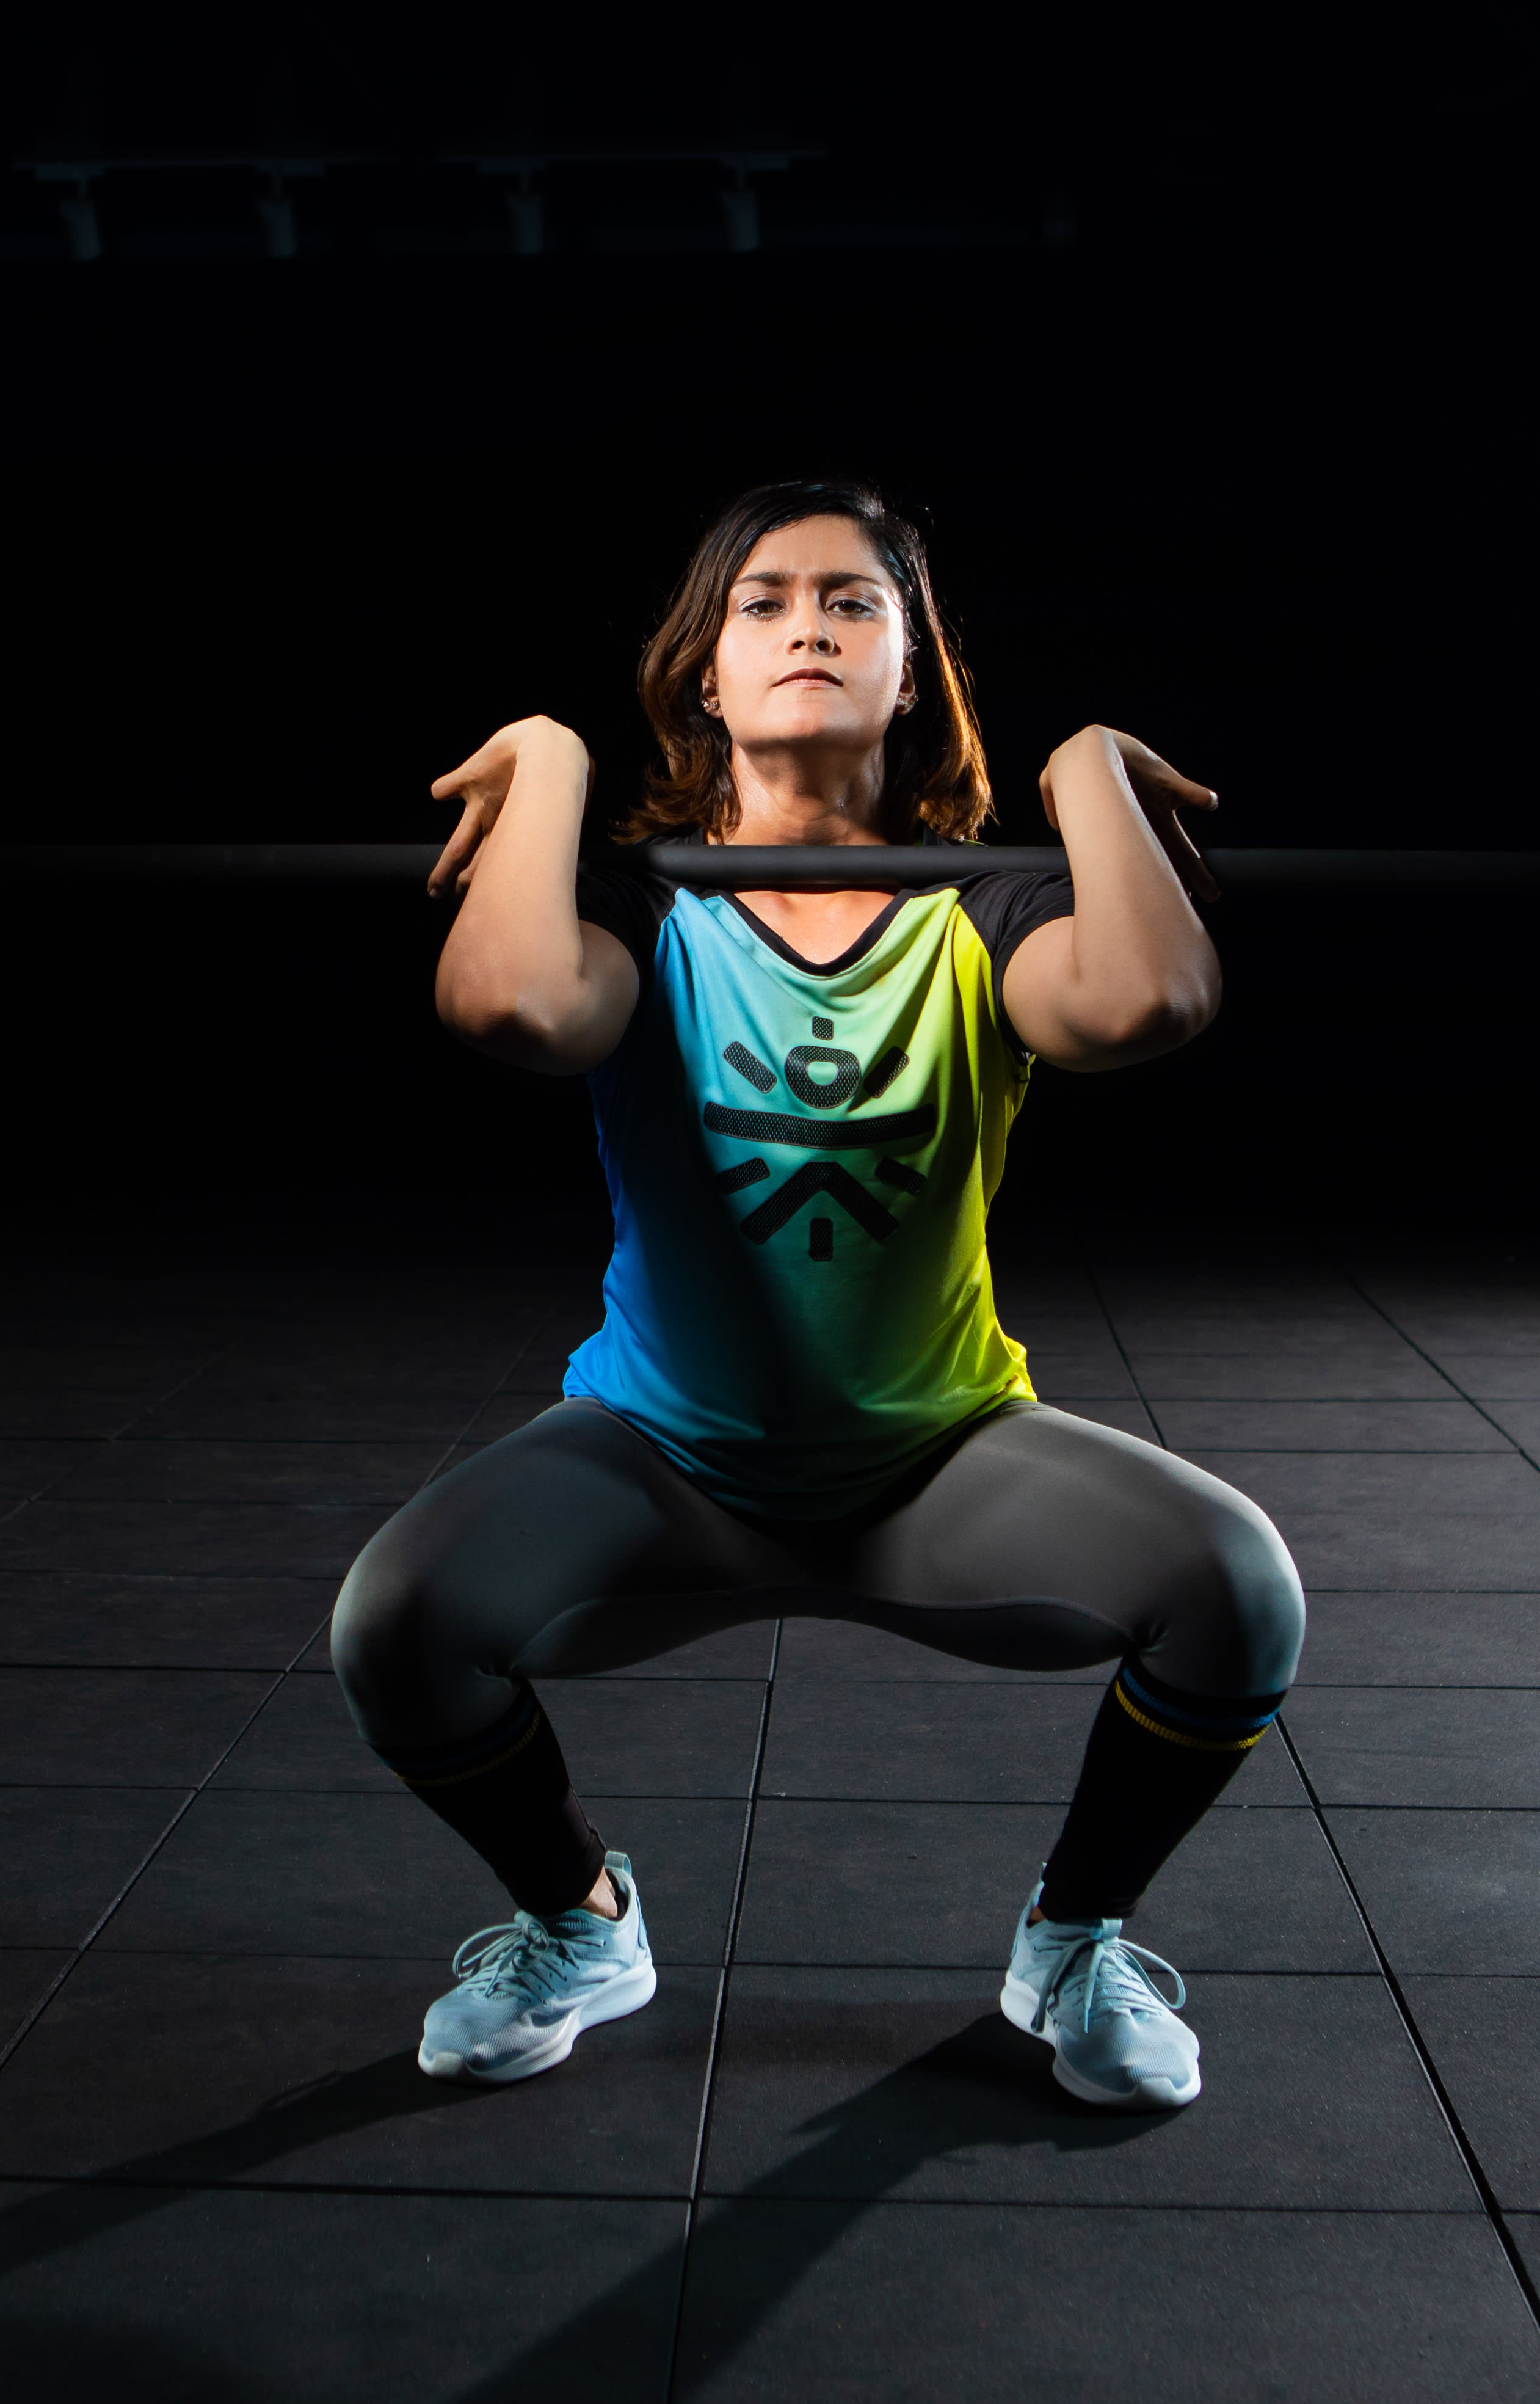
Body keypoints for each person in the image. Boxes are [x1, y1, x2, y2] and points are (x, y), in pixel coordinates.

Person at [331, 479, 1304, 2111]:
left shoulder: (993, 904)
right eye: (764, 602)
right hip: (663, 1465)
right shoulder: (638, 901)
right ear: (703, 674)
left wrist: (1080, 776)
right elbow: (509, 1008)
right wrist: (554, 766)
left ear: (910, 672)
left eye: (855, 603)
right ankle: (579, 1927)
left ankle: (1073, 1943)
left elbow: (1147, 1000)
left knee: (1238, 1592)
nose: (808, 628)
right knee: (399, 1626)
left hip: (936, 1466)